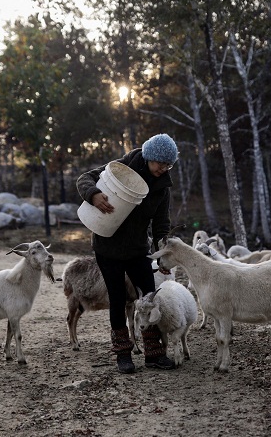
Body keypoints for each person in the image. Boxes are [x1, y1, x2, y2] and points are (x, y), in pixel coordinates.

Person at [76, 133, 179, 374]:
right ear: (148, 157)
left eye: (168, 165)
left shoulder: (162, 188)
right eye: (160, 163)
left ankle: (154, 353)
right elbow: (84, 178)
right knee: (118, 298)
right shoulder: (121, 168)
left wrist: (162, 254)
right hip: (107, 246)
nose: (164, 169)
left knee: (149, 297)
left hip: (137, 249)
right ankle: (123, 354)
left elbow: (162, 224)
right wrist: (93, 194)